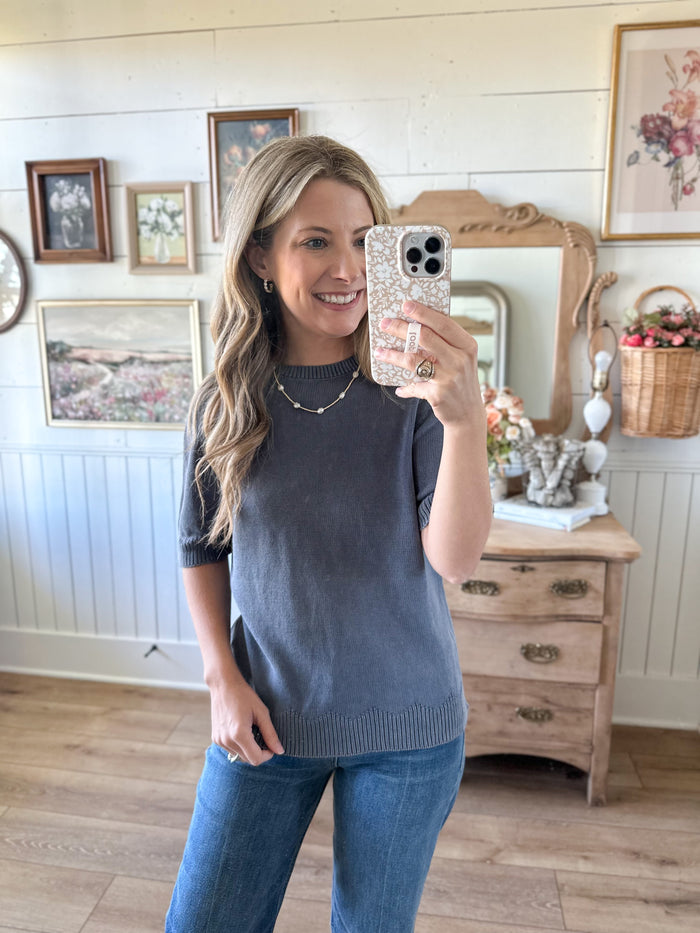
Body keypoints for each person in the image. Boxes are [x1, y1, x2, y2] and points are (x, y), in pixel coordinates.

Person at [166, 135, 491, 933]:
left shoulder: (417, 390)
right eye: (315, 241)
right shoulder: (224, 400)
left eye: (362, 240)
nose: (346, 268)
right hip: (266, 714)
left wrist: (465, 421)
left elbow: (455, 558)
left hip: (408, 728)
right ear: (260, 258)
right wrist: (221, 678)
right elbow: (201, 546)